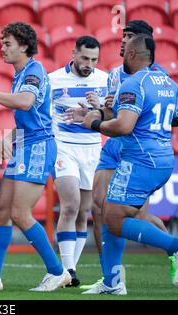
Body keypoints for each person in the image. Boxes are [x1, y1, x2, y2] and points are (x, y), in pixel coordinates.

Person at [0, 22, 71, 292]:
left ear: (24, 46)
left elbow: (24, 103)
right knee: (1, 209)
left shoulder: (33, 71)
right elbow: (28, 119)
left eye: (8, 43)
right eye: (2, 43)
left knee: (20, 213)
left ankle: (58, 272)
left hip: (38, 147)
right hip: (26, 144)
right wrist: (5, 140)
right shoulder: (21, 73)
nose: (2, 48)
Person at [64, 20, 174, 290]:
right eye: (122, 37)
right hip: (124, 149)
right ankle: (112, 280)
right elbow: (117, 113)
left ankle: (173, 247)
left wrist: (95, 123)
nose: (123, 44)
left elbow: (125, 123)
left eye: (130, 39)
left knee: (121, 217)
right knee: (103, 209)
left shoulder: (140, 80)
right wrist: (100, 112)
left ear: (139, 47)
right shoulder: (131, 77)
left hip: (137, 152)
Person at [48, 36, 108, 287]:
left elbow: (114, 115)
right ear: (73, 53)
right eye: (85, 58)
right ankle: (68, 270)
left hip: (92, 149)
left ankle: (71, 267)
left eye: (94, 59)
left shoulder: (105, 80)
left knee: (84, 211)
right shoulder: (53, 80)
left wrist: (100, 107)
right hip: (64, 148)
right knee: (71, 205)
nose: (89, 64)